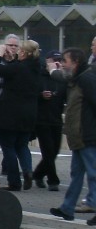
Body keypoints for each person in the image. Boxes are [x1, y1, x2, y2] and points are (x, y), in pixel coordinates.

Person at [0, 36, 40, 190]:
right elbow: (14, 71)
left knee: (8, 146)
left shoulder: (18, 68)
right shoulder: (36, 68)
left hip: (10, 114)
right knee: (22, 145)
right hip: (29, 114)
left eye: (20, 50)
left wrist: (0, 54)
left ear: (24, 53)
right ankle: (28, 171)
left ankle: (14, 182)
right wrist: (11, 60)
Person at [49, 48, 96, 221]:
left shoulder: (86, 79)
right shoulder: (75, 80)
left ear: (75, 62)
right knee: (76, 174)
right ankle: (67, 208)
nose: (62, 64)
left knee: (93, 173)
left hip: (87, 134)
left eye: (65, 61)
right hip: (77, 136)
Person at [31, 50, 66, 190]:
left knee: (55, 150)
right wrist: (41, 95)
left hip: (56, 118)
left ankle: (38, 174)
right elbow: (31, 93)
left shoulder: (61, 78)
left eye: (59, 60)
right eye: (53, 60)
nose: (56, 63)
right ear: (47, 61)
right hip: (42, 118)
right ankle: (53, 180)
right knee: (48, 150)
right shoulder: (39, 76)